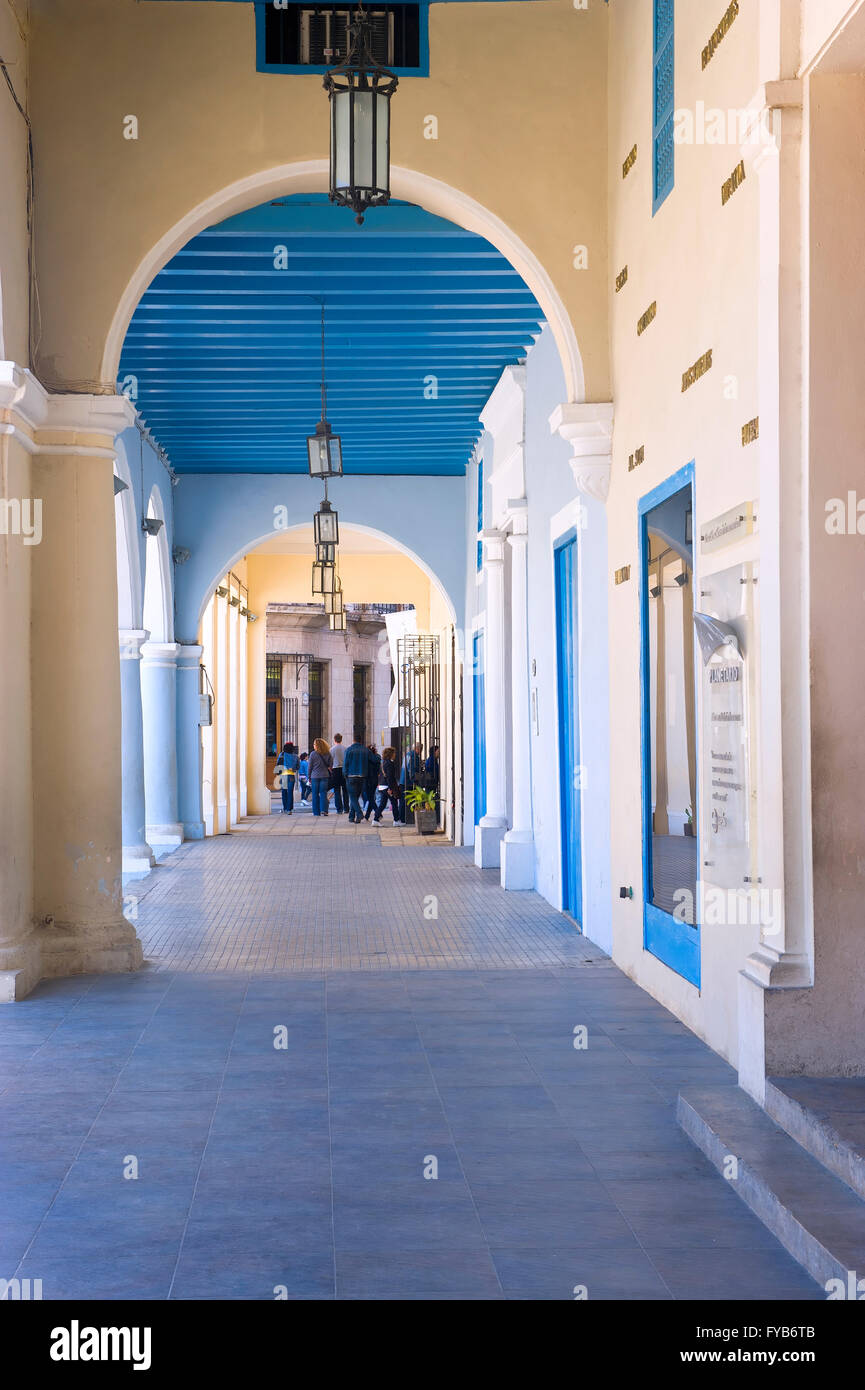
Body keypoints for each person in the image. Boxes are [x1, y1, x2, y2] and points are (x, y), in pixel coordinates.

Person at [343, 737, 370, 823]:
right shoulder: (366, 750)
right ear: (361, 741)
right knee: (356, 797)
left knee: (353, 797)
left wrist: (345, 774)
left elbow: (345, 764)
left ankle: (359, 813)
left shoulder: (349, 750)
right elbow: (373, 760)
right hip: (362, 776)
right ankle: (352, 817)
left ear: (353, 741)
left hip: (351, 776)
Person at [399, 742, 423, 825]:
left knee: (403, 801)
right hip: (408, 781)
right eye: (421, 749)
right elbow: (411, 769)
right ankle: (404, 819)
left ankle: (401, 818)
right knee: (407, 801)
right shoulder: (414, 756)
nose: (421, 751)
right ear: (418, 749)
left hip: (403, 780)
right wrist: (415, 780)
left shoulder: (408, 754)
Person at [308, 738, 331, 817]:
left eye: (314, 744)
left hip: (314, 776)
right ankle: (324, 810)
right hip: (324, 775)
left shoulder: (313, 754)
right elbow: (330, 764)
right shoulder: (328, 753)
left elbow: (310, 767)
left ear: (317, 745)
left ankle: (316, 812)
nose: (313, 746)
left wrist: (309, 776)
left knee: (315, 794)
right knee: (323, 793)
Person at [377, 746, 401, 824]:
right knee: (394, 803)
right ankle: (396, 821)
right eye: (394, 753)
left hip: (382, 785)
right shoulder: (390, 763)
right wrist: (390, 788)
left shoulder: (383, 762)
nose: (395, 755)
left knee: (383, 804)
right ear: (390, 754)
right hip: (387, 786)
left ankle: (375, 819)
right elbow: (390, 777)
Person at [275, 741, 299, 814]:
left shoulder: (282, 754)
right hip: (291, 775)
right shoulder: (295, 756)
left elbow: (278, 764)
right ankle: (289, 809)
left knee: (284, 792)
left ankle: (285, 808)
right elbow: (298, 767)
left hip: (283, 775)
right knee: (290, 792)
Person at [363, 744, 381, 821]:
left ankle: (378, 812)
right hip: (375, 780)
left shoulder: (367, 759)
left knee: (370, 798)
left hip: (368, 780)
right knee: (371, 797)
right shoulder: (377, 757)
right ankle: (367, 815)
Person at [330, 733, 346, 813]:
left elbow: (330, 761)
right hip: (343, 769)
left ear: (334, 739)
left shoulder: (332, 749)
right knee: (345, 790)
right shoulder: (345, 748)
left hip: (335, 770)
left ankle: (339, 809)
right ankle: (347, 808)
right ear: (341, 739)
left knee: (337, 790)